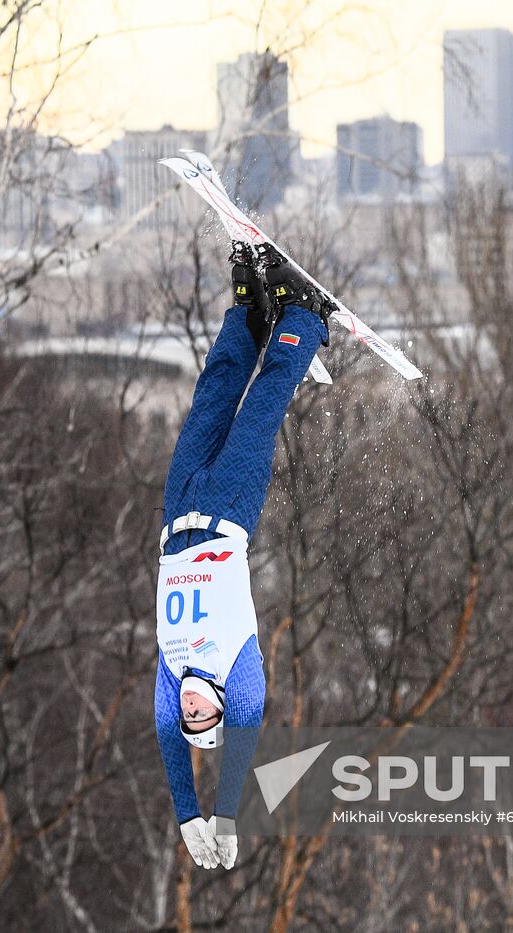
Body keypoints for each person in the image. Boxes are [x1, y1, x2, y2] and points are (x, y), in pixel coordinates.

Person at [155, 241, 331, 870]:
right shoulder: (238, 675)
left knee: (212, 396)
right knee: (259, 413)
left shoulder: (173, 676)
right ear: (222, 706)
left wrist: (185, 814)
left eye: (188, 716)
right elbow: (244, 733)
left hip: (178, 511)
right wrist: (222, 813)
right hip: (228, 512)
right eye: (203, 715)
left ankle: (250, 312)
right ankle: (305, 319)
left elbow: (170, 742)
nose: (189, 709)